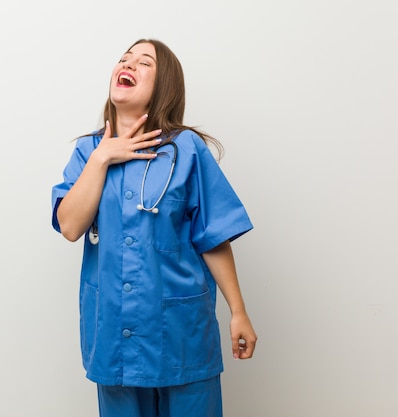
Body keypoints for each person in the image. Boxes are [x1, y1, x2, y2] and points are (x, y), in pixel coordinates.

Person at [51, 39, 257, 417]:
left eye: (145, 62)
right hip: (115, 334)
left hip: (182, 332)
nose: (128, 64)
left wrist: (238, 311)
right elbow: (70, 225)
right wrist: (101, 158)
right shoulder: (87, 152)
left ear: (164, 88)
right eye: (124, 58)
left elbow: (213, 237)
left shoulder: (187, 149)